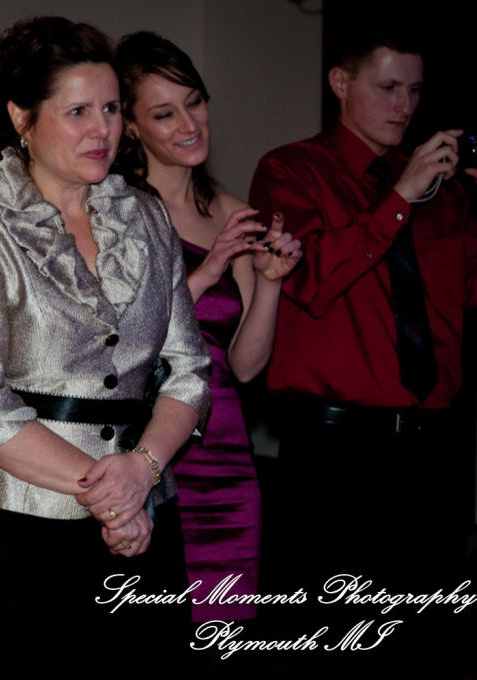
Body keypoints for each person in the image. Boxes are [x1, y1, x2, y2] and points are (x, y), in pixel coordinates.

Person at [0, 17, 210, 672]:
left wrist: (141, 471)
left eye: (111, 109)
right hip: (21, 534)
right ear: (22, 117)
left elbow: (190, 371)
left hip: (145, 522)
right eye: (78, 111)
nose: (102, 129)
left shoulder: (148, 217)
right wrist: (109, 493)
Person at [248, 25, 477, 608]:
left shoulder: (445, 190)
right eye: (388, 87)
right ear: (341, 83)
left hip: (432, 448)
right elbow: (309, 279)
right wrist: (399, 198)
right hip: (333, 448)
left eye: (415, 90)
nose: (404, 106)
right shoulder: (291, 170)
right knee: (333, 629)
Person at [114, 31, 302, 624]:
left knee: (228, 638)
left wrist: (269, 282)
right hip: (153, 457)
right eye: (164, 113)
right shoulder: (117, 211)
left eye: (194, 101)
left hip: (227, 456)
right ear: (132, 127)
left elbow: (246, 365)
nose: (190, 124)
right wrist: (208, 270)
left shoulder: (230, 210)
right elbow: (125, 342)